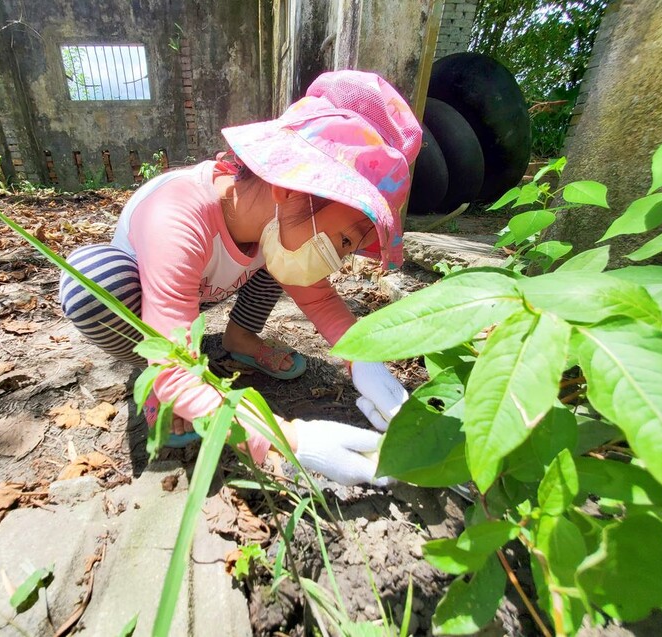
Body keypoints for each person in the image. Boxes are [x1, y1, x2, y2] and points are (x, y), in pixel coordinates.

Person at [59, 70, 422, 486]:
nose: (336, 260)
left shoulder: (276, 225)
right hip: (144, 302)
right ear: (291, 190)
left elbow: (321, 302)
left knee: (281, 259)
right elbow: (177, 368)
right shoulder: (178, 217)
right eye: (342, 240)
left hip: (208, 288)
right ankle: (151, 370)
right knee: (93, 282)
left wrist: (366, 361)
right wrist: (288, 438)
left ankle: (240, 340)